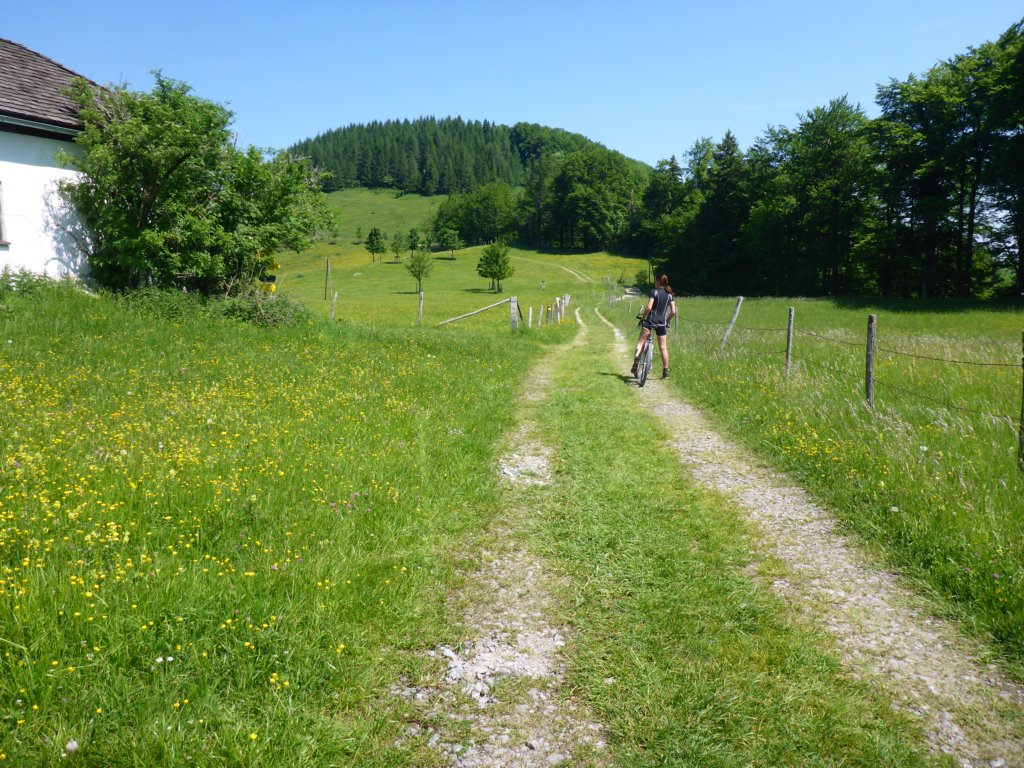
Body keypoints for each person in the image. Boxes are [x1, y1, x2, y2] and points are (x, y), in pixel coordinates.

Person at [632, 274, 677, 379]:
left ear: (658, 282)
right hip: (661, 324)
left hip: (650, 321)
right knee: (663, 348)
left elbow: (648, 308)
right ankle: (665, 371)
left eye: (655, 281)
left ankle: (635, 362)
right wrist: (666, 321)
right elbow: (673, 311)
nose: (654, 283)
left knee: (641, 342)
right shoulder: (670, 295)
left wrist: (643, 318)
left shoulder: (654, 292)